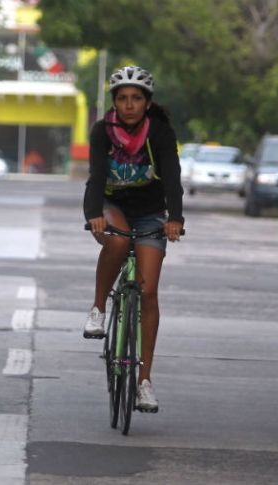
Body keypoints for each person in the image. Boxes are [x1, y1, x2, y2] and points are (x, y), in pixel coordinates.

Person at [82, 65, 184, 412]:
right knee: (118, 241)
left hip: (151, 211)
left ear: (147, 102)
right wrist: (94, 213)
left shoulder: (160, 132)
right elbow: (96, 176)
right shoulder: (102, 131)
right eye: (122, 98)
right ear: (114, 102)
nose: (129, 105)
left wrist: (175, 218)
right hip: (111, 205)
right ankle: (97, 309)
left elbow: (172, 177)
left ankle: (144, 382)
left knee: (149, 290)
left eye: (136, 99)